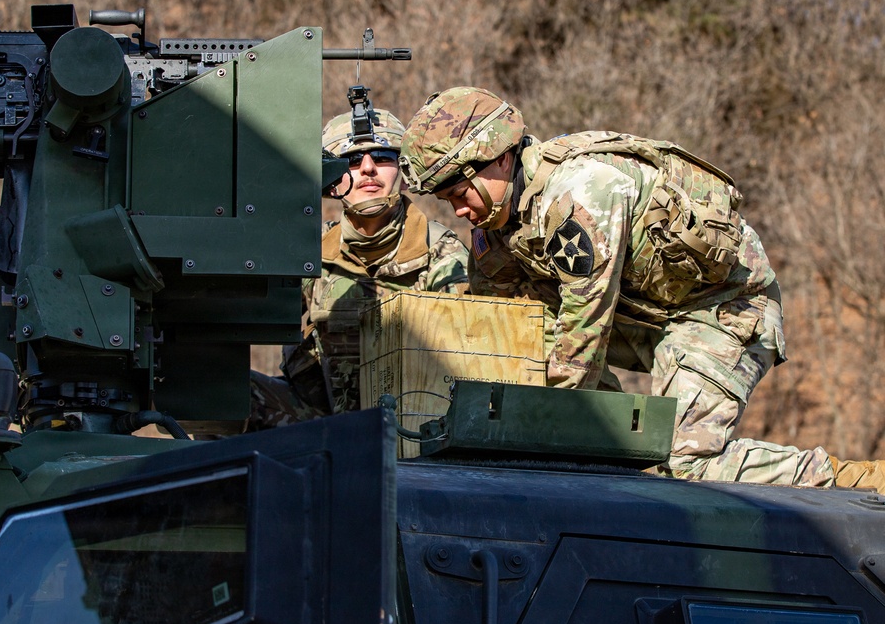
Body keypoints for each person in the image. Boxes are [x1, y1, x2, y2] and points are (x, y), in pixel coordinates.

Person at [399, 85, 885, 491]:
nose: (458, 211)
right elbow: (496, 327)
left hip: (723, 310)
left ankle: (853, 481)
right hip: (650, 317)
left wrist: (545, 429)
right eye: (446, 202)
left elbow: (584, 327)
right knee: (530, 326)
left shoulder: (580, 195)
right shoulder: (496, 227)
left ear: (497, 160)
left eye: (459, 194)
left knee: (683, 463)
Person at [249, 96, 469, 428]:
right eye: (351, 160)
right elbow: (253, 310)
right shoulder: (310, 250)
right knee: (216, 395)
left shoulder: (441, 252)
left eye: (382, 156)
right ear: (332, 179)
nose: (368, 168)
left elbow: (468, 368)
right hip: (322, 425)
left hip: (416, 428)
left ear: (403, 170)